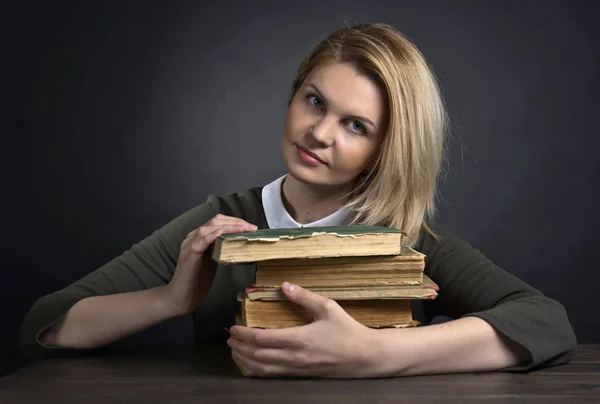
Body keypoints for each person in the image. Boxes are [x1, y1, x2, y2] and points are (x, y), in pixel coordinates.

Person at [20, 23, 576, 378]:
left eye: (355, 125)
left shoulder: (403, 239)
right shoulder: (221, 224)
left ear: (388, 148)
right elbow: (46, 327)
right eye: (314, 101)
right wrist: (170, 299)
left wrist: (375, 356)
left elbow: (545, 324)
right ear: (292, 98)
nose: (320, 133)